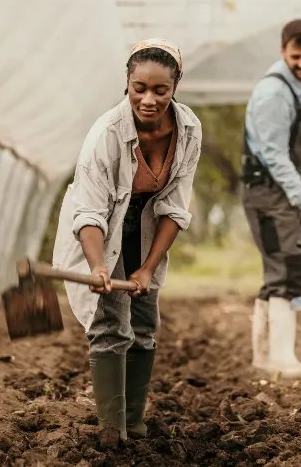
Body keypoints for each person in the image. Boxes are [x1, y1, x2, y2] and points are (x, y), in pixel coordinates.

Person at [52, 38, 202, 441]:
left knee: (144, 321)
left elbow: (174, 207)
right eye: (140, 88)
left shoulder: (188, 129)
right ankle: (111, 431)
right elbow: (90, 213)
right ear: (128, 83)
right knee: (109, 323)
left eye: (160, 90)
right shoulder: (105, 134)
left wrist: (147, 268)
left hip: (149, 226)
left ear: (175, 86)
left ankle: (134, 424)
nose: (149, 99)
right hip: (101, 227)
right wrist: (99, 266)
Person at [241, 19, 301, 379]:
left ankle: (263, 357)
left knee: (278, 271)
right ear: (282, 52)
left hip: (275, 193)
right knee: (289, 268)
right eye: (296, 57)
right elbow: (275, 154)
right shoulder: (273, 94)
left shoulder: (294, 85)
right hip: (269, 193)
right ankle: (280, 358)